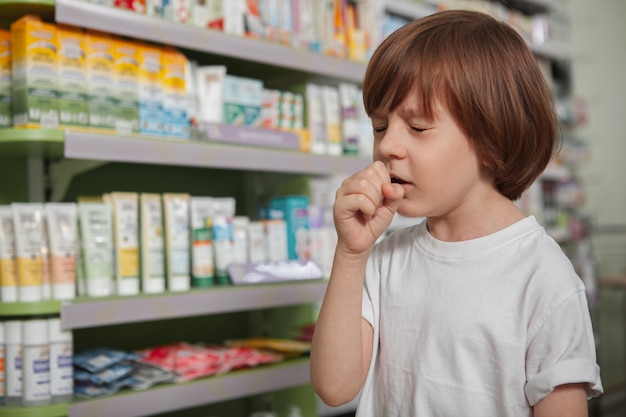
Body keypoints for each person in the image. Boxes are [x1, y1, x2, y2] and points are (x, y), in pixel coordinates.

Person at [309, 9, 603, 417]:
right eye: (380, 126)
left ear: (490, 137)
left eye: (417, 127)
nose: (388, 145)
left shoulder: (543, 277)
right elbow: (334, 388)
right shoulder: (384, 259)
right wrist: (351, 253)